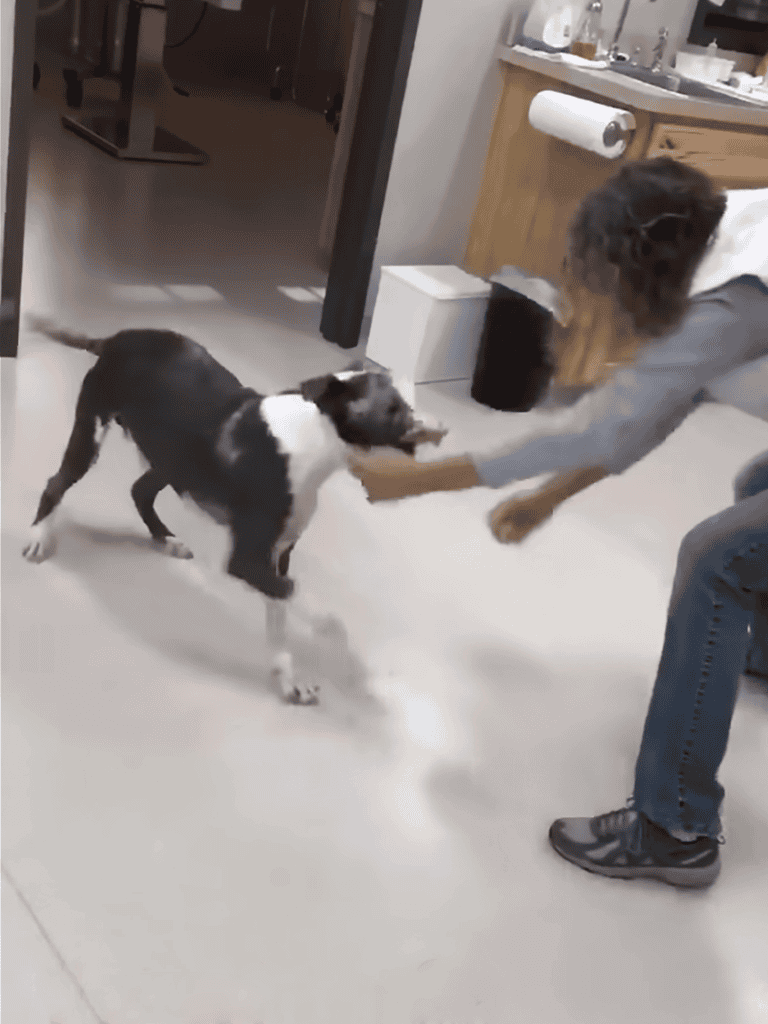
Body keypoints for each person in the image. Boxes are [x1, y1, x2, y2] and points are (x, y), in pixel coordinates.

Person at [348, 157, 768, 887]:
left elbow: (602, 428)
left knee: (717, 558)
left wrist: (423, 479)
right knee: (757, 489)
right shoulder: (724, 235)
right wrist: (548, 499)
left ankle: (676, 827)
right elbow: (652, 413)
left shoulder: (735, 296)